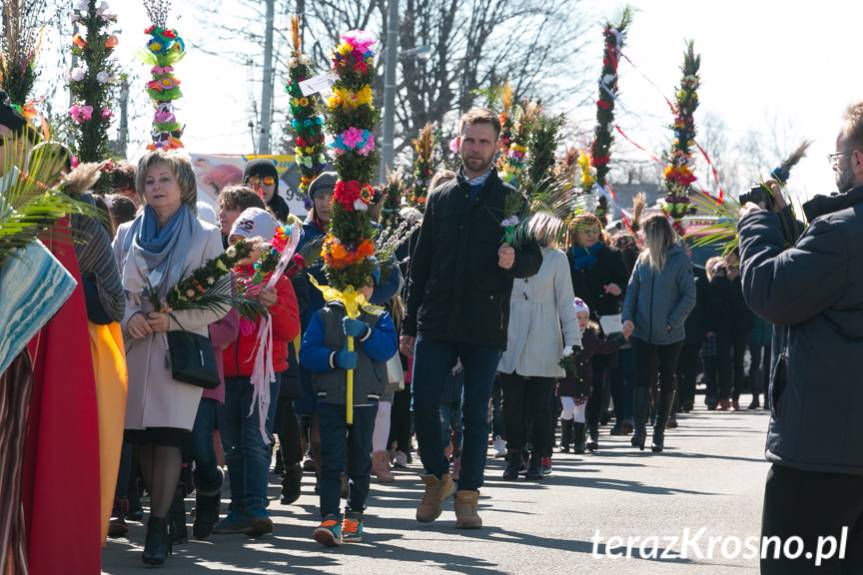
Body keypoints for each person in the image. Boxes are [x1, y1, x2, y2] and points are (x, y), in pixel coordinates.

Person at [401, 107, 542, 529]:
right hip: (438, 317)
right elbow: (420, 264)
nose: (475, 147)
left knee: (474, 412)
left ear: (497, 147)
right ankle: (436, 479)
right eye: (469, 139)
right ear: (457, 141)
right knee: (422, 403)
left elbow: (534, 258)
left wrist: (514, 259)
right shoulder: (441, 196)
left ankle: (468, 495)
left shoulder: (511, 199)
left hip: (484, 321)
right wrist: (409, 326)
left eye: (483, 141)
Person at [738, 102, 863, 574]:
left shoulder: (841, 233)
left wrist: (755, 221)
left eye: (837, 160)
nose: (836, 174)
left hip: (824, 454)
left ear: (857, 160)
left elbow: (770, 290)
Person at [113, 149, 228, 566]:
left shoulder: (204, 233)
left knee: (168, 438)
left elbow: (221, 303)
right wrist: (130, 318)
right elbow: (112, 289)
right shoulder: (126, 232)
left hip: (178, 353)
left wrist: (174, 318)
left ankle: (157, 530)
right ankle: (164, 515)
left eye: (165, 180)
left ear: (182, 185)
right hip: (135, 349)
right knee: (142, 440)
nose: (156, 188)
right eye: (149, 181)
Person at [213, 208, 300, 538]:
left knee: (255, 440)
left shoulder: (280, 282)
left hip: (262, 374)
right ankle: (237, 507)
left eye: (251, 242)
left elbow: (289, 329)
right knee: (233, 442)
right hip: (228, 372)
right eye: (235, 240)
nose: (241, 247)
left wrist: (274, 303)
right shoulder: (224, 278)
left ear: (269, 247)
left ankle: (256, 506)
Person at [300, 280, 398, 547]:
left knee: (359, 462)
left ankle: (354, 516)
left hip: (365, 400)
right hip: (331, 398)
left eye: (367, 284)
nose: (360, 289)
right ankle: (329, 518)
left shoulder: (380, 316)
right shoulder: (324, 314)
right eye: (354, 282)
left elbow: (387, 349)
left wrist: (365, 333)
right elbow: (307, 353)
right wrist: (334, 358)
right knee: (331, 459)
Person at [497, 240, 580, 480]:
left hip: (544, 337)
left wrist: (573, 340)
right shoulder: (506, 252)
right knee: (511, 403)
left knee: (540, 406)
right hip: (511, 335)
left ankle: (538, 456)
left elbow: (566, 300)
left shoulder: (556, 258)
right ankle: (515, 453)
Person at [621, 214, 695, 453]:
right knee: (641, 378)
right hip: (642, 332)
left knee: (666, 379)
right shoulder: (643, 260)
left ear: (656, 233)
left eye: (644, 232)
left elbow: (689, 296)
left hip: (671, 334)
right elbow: (632, 291)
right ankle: (640, 429)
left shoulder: (679, 260)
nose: (641, 237)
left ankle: (659, 431)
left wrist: (672, 322)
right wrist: (627, 318)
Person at [565, 213, 628, 451]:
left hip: (600, 326)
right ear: (575, 233)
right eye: (585, 230)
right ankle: (569, 429)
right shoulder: (568, 257)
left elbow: (626, 283)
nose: (590, 235)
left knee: (596, 379)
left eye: (594, 230)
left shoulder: (611, 255)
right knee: (567, 378)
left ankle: (591, 430)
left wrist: (617, 288)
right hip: (572, 325)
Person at [559, 298, 623, 454]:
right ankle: (566, 438)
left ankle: (579, 441)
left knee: (580, 410)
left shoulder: (590, 336)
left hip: (583, 380)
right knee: (568, 408)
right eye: (578, 317)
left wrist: (622, 338)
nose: (582, 321)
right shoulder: (562, 336)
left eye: (585, 317)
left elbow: (604, 347)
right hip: (566, 381)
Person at [243, 158, 291, 223]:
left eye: (268, 180)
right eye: (254, 180)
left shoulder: (289, 220)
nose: (261, 186)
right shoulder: (232, 215)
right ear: (245, 185)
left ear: (275, 185)